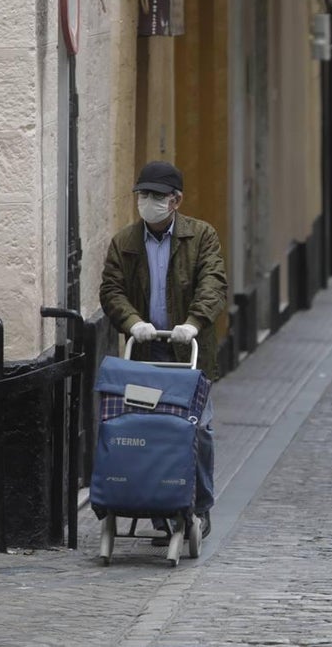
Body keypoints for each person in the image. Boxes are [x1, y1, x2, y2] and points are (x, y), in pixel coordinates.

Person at [100, 160, 228, 542]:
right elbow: (111, 289)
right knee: (149, 432)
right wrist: (132, 322)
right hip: (144, 355)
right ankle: (161, 511)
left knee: (197, 431)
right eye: (143, 195)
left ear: (175, 201)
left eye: (156, 196)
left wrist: (193, 322)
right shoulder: (124, 243)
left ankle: (199, 508)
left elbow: (213, 282)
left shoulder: (201, 237)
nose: (147, 202)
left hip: (188, 352)